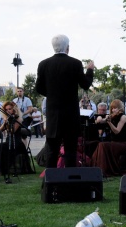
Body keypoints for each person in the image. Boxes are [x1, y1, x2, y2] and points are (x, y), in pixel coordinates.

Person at [36, 34, 94, 168]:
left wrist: (52, 94)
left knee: (52, 150)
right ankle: (69, 182)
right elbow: (85, 84)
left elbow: (39, 88)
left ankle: (50, 183)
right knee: (70, 151)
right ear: (67, 48)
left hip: (53, 114)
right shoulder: (75, 63)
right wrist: (90, 70)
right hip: (70, 114)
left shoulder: (43, 64)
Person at [91, 99, 126, 176]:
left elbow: (117, 131)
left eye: (115, 108)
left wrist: (109, 122)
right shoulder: (113, 117)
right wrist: (99, 119)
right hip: (113, 143)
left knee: (103, 145)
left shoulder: (123, 117)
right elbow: (100, 122)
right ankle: (95, 168)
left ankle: (103, 170)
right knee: (100, 144)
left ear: (120, 108)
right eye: (112, 108)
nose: (113, 110)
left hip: (122, 143)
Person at [0, 101, 29, 178]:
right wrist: (5, 122)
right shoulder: (7, 118)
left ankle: (5, 169)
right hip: (9, 141)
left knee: (5, 148)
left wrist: (8, 122)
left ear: (14, 109)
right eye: (6, 109)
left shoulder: (18, 118)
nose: (8, 111)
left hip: (17, 142)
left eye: (10, 109)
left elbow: (12, 131)